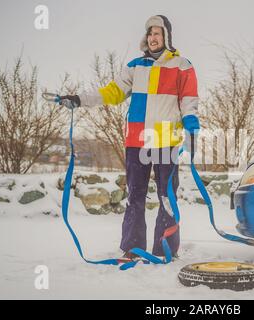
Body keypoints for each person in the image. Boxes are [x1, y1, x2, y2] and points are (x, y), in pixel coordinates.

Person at [58, 15, 200, 261]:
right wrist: (79, 99)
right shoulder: (135, 66)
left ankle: (165, 249)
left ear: (167, 36)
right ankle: (132, 249)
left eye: (157, 33)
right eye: (149, 33)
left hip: (167, 141)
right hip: (137, 141)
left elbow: (189, 100)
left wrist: (191, 126)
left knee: (167, 197)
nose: (152, 38)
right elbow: (112, 93)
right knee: (135, 195)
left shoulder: (182, 65)